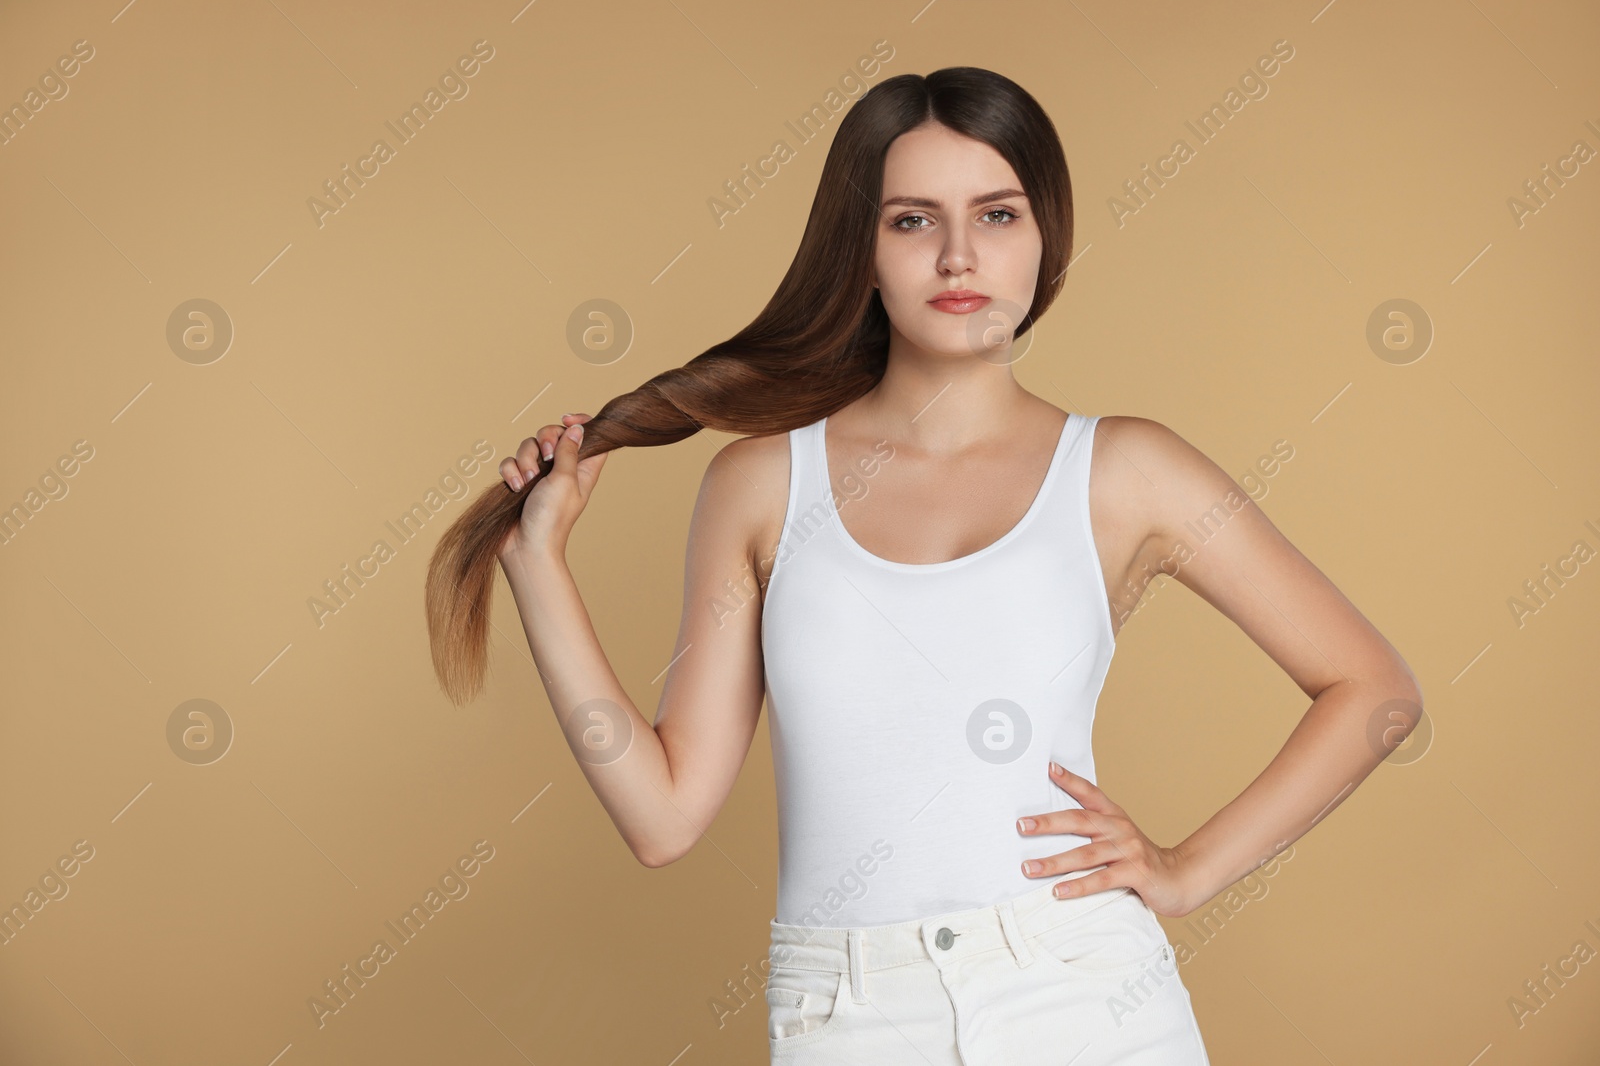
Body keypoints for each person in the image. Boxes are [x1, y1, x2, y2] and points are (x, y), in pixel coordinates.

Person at [425, 67, 1422, 1065]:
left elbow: (1370, 687)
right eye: (911, 221)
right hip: (847, 1015)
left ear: (1046, 237)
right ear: (859, 248)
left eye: (996, 213)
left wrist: (1185, 869)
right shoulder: (759, 483)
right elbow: (663, 816)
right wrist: (536, 561)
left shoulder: (1126, 471)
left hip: (1083, 994)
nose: (957, 256)